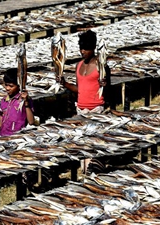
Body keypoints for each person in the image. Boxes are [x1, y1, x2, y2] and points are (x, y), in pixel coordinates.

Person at [59, 30, 111, 175]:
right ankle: (85, 171)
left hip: (96, 110)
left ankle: (93, 173)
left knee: (93, 145)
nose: (83, 52)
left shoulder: (101, 66)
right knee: (83, 144)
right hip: (81, 110)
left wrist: (105, 84)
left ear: (93, 48)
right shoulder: (79, 65)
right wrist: (65, 84)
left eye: (86, 49)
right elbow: (79, 89)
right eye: (81, 48)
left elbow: (108, 90)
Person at [0, 68, 35, 209]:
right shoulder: (3, 101)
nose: (7, 88)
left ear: (19, 85)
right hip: (3, 139)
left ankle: (24, 197)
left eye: (11, 86)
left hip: (19, 140)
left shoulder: (24, 100)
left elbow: (31, 121)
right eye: (5, 85)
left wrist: (26, 103)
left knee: (23, 173)